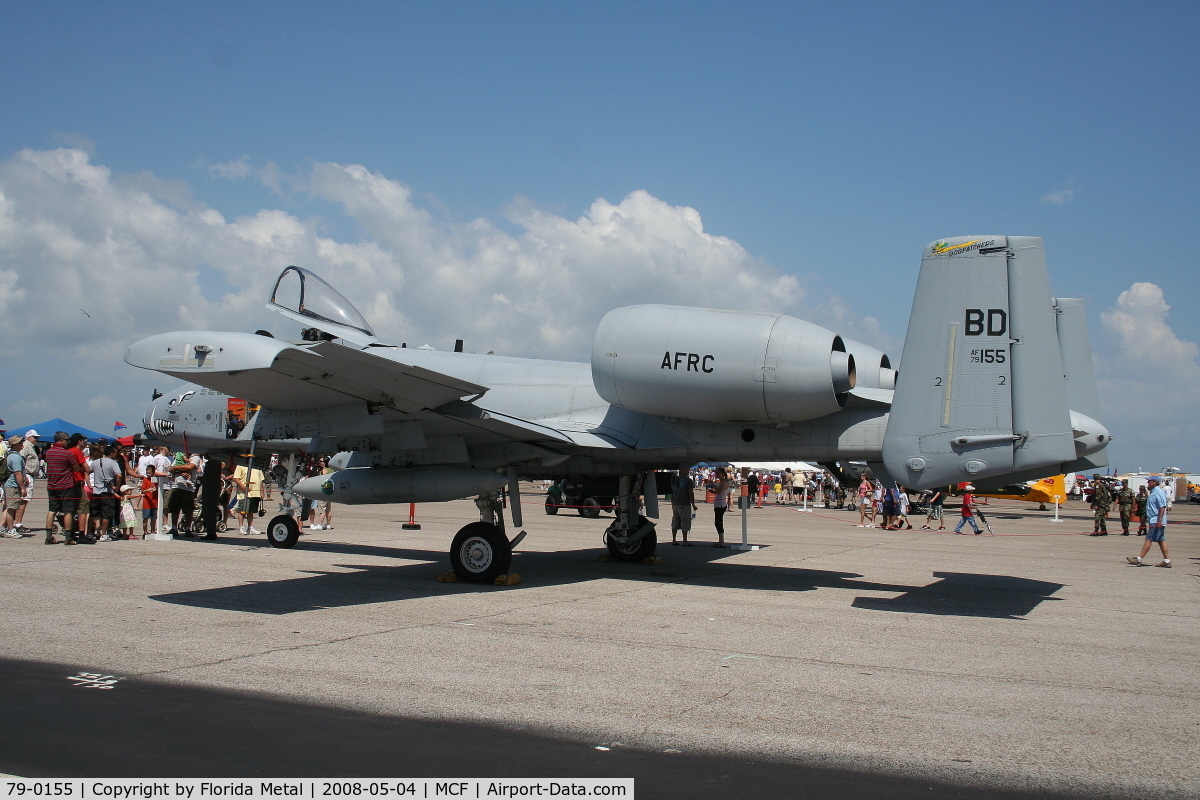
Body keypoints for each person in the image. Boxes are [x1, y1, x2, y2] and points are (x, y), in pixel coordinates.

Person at [43, 431, 87, 544]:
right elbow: (76, 468)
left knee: (52, 510)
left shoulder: (49, 452)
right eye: (67, 440)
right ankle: (68, 537)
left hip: (52, 485)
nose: (68, 442)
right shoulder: (67, 453)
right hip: (66, 485)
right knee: (68, 511)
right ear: (62, 440)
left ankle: (48, 536)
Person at [1127, 477, 1171, 567]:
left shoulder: (1158, 492)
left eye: (1149, 481)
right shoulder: (1153, 492)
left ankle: (1139, 559)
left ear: (1155, 482)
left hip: (1157, 520)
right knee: (1161, 540)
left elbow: (1162, 506)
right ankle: (1166, 561)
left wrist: (1159, 520)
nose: (1148, 482)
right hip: (1153, 520)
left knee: (1148, 539)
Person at [91, 445, 123, 540]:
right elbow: (119, 475)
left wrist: (89, 483)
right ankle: (104, 534)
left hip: (96, 491)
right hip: (107, 491)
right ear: (112, 453)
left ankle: (97, 531)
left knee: (96, 513)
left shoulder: (96, 462)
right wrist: (117, 487)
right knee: (106, 514)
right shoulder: (113, 463)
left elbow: (87, 471)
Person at [12, 430, 40, 533]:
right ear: (28, 437)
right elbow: (21, 460)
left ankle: (16, 522)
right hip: (27, 475)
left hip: (29, 474)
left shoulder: (31, 446)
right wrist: (24, 476)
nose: (36, 440)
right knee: (23, 499)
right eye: (35, 437)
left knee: (24, 500)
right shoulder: (26, 446)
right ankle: (18, 523)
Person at [165, 452, 198, 536]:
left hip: (189, 487)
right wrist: (179, 472)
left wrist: (176, 467)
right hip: (177, 486)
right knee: (175, 509)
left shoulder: (195, 457)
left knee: (188, 510)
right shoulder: (178, 457)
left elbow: (190, 467)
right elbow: (170, 469)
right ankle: (174, 528)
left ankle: (188, 529)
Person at [1, 436, 27, 537]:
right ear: (14, 444)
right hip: (13, 486)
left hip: (9, 484)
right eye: (20, 442)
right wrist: (22, 487)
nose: (22, 444)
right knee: (12, 508)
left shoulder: (10, 455)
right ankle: (11, 529)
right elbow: (17, 473)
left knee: (8, 507)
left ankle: (3, 527)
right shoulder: (16, 457)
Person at [232, 459, 266, 534]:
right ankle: (241, 527)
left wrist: (262, 491)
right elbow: (236, 478)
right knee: (242, 511)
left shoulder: (257, 466)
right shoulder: (240, 464)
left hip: (255, 493)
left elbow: (260, 480)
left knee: (251, 511)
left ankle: (250, 527)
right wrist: (243, 487)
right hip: (244, 493)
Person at [669, 470, 697, 545]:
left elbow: (672, 491)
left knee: (675, 521)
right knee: (685, 521)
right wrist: (693, 504)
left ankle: (674, 540)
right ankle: (685, 540)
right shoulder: (688, 480)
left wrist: (672, 502)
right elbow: (690, 492)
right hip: (684, 503)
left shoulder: (675, 479)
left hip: (675, 503)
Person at [711, 467, 730, 547]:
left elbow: (719, 491)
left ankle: (721, 541)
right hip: (719, 502)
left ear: (722, 473)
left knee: (718, 522)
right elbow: (719, 492)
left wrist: (713, 485)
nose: (716, 474)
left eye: (718, 472)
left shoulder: (724, 482)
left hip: (721, 504)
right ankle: (720, 541)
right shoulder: (722, 482)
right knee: (718, 522)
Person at [140, 465, 159, 538]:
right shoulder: (145, 480)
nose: (148, 475)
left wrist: (156, 489)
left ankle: (153, 531)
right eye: (147, 473)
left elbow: (159, 488)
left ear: (153, 473)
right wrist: (148, 490)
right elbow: (143, 490)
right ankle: (145, 531)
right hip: (147, 503)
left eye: (150, 473)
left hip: (154, 503)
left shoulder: (156, 480)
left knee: (154, 518)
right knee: (145, 518)